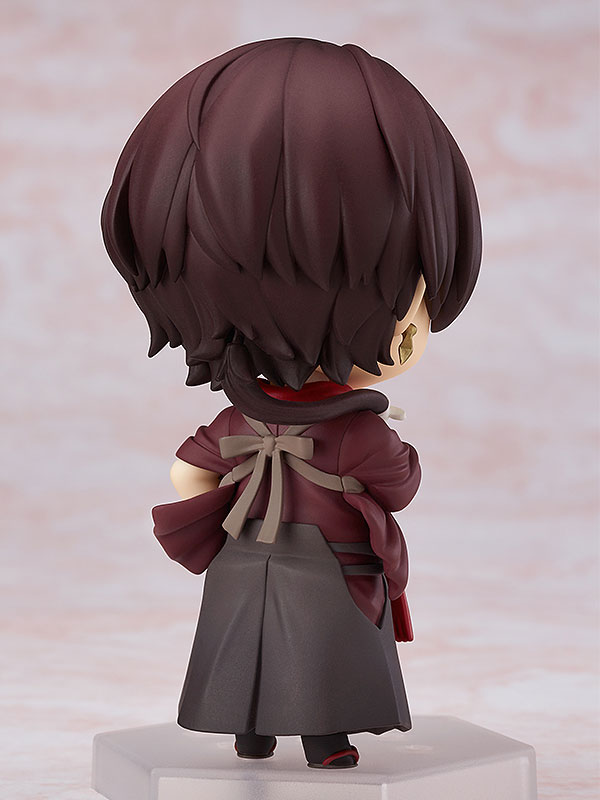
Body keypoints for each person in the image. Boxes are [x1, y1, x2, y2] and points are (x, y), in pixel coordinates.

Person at [101, 37, 482, 769]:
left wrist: (231, 502)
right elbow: (399, 484)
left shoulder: (238, 419)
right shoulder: (359, 432)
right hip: (329, 565)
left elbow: (187, 473)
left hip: (245, 557)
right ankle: (325, 739)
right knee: (323, 654)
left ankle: (250, 731)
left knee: (246, 645)